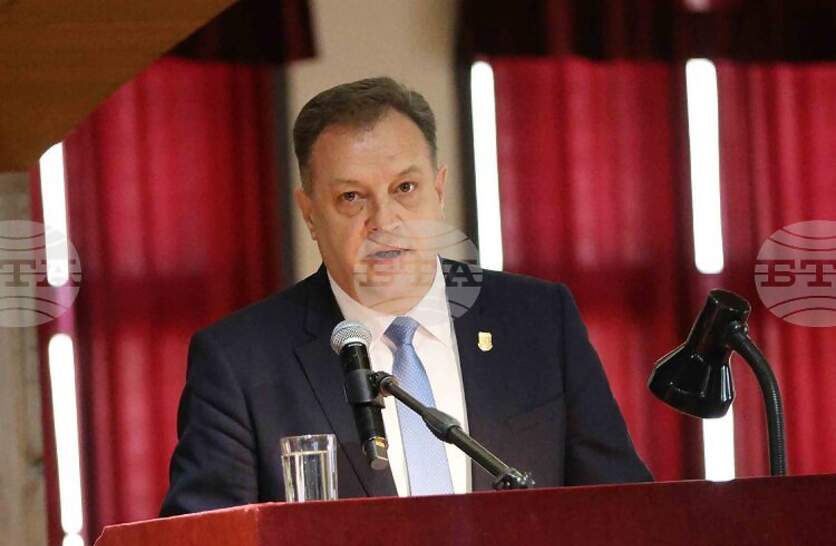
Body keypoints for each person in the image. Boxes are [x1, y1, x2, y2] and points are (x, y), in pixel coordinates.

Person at [160, 77, 651, 517]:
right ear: (309, 213)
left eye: (405, 188)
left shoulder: (538, 321)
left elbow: (624, 509)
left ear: (439, 190)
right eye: (351, 197)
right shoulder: (240, 362)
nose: (384, 220)